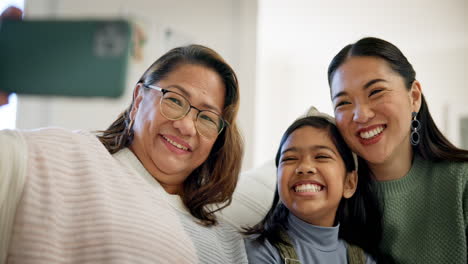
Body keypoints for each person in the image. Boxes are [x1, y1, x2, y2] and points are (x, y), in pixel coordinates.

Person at [0, 44, 247, 263]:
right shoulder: (66, 159)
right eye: (175, 100)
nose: (186, 126)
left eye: (206, 117)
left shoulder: (229, 243)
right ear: (139, 100)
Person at [327, 37, 468, 263]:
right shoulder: (330, 194)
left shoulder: (461, 182)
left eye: (375, 92)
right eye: (343, 103)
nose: (360, 115)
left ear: (413, 97)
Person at [244, 107, 390, 263]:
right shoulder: (261, 251)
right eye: (290, 158)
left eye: (321, 156)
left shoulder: (363, 260)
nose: (304, 167)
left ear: (349, 183)